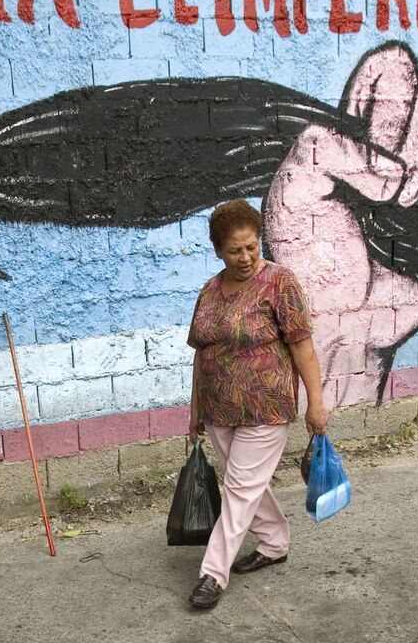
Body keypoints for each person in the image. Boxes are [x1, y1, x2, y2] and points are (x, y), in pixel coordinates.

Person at [182, 199, 329, 610]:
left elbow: (302, 346)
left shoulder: (280, 282)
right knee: (245, 484)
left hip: (267, 405)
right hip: (218, 408)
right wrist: (194, 409)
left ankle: (212, 573)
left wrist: (316, 404)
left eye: (252, 247)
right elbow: (201, 352)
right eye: (235, 250)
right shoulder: (210, 291)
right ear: (218, 251)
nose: (246, 257)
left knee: (240, 488)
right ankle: (275, 542)